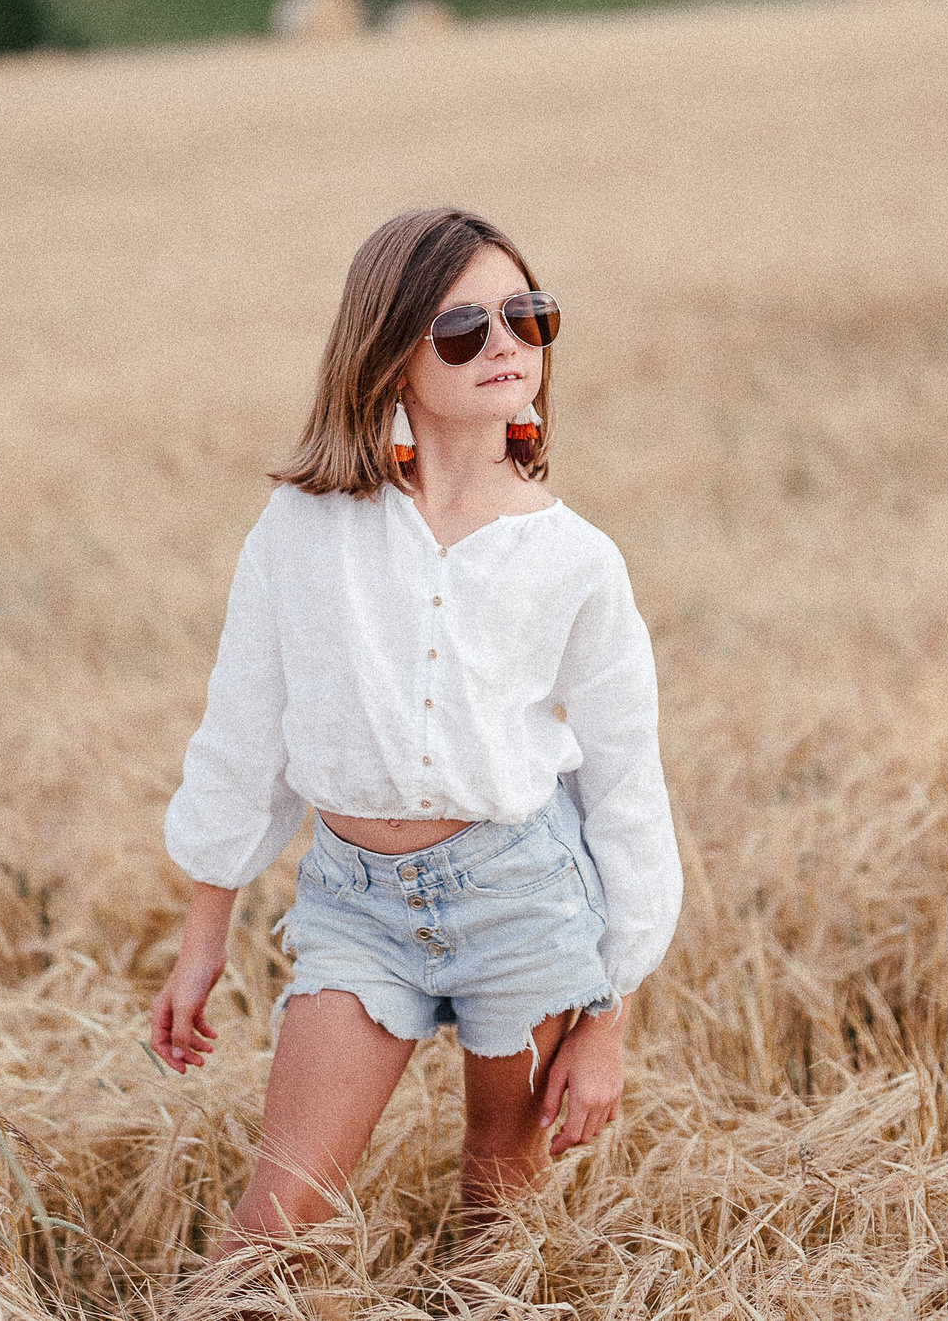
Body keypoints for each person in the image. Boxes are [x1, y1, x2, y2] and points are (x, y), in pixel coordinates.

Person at [149, 205, 683, 1268]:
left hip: (521, 898)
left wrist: (608, 1013)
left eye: (526, 318)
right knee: (275, 1215)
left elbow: (626, 784)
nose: (504, 346)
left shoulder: (575, 557)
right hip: (355, 907)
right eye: (461, 328)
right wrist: (204, 931)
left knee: (498, 1199)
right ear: (390, 355)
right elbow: (242, 731)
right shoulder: (305, 528)